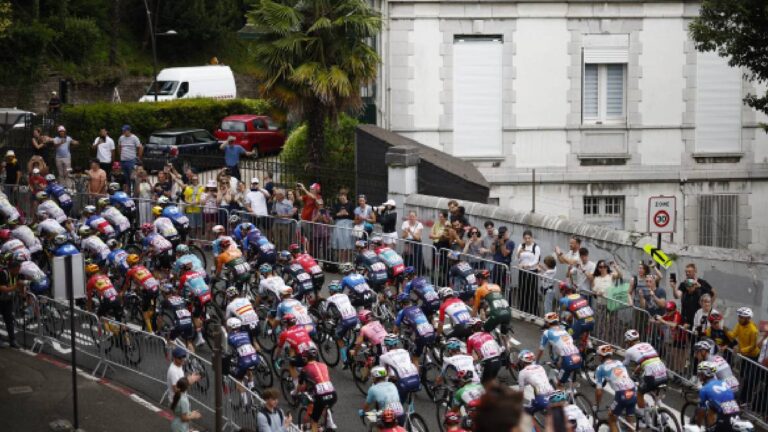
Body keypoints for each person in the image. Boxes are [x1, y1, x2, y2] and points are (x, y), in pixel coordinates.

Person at [622, 329, 668, 424]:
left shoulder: (629, 351)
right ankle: (664, 416)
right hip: (663, 372)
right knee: (655, 394)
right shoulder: (648, 344)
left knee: (640, 393)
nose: (626, 344)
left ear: (630, 341)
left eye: (627, 341)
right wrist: (637, 371)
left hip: (651, 375)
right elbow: (648, 360)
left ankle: (643, 418)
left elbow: (623, 366)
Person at [594, 344, 637, 432]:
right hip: (633, 390)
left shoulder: (600, 368)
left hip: (622, 394)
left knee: (611, 419)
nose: (598, 357)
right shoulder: (619, 362)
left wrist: (597, 406)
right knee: (630, 422)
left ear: (601, 357)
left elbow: (599, 392)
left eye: (598, 356)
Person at [537, 312, 582, 387]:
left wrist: (536, 362)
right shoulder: (564, 330)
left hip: (568, 360)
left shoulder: (547, 332)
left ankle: (563, 395)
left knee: (559, 384)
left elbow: (541, 350)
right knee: (560, 365)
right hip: (578, 356)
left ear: (548, 323)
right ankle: (572, 391)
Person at [297, 348, 338, 432]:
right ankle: (330, 423)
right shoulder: (324, 365)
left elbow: (300, 386)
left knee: (314, 421)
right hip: (333, 394)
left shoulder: (304, 369)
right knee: (325, 407)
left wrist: (295, 392)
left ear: (306, 358)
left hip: (320, 396)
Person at [695, 361, 742, 432]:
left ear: (704, 375)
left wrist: (697, 428)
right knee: (711, 407)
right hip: (736, 413)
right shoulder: (723, 382)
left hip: (725, 420)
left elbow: (701, 413)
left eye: (700, 374)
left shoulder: (704, 389)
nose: (699, 377)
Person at [727, 307, 759, 405]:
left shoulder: (753, 330)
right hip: (744, 356)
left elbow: (753, 346)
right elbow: (733, 335)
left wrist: (741, 350)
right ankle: (741, 398)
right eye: (739, 317)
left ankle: (746, 400)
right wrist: (724, 330)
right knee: (742, 376)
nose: (739, 319)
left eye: (741, 317)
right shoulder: (739, 325)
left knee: (749, 379)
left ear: (747, 318)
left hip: (753, 357)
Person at [675, 263, 716, 330]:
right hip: (687, 320)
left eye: (689, 272)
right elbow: (677, 296)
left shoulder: (702, 283)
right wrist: (674, 287)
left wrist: (708, 306)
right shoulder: (683, 284)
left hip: (699, 318)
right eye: (686, 272)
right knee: (690, 338)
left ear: (695, 272)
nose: (687, 273)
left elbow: (713, 293)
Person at [515, 229, 540, 315]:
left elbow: (536, 260)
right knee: (522, 290)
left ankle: (533, 312)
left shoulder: (536, 247)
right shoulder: (521, 246)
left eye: (529, 238)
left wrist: (528, 265)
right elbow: (517, 258)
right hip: (523, 272)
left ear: (532, 238)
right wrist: (519, 253)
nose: (527, 240)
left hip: (532, 271)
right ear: (523, 238)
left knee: (532, 291)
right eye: (525, 238)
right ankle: (523, 310)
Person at [331, 188, 355, 263]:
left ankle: (347, 263)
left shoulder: (351, 204)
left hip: (348, 226)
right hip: (339, 226)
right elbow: (333, 216)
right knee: (340, 245)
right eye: (340, 196)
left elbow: (354, 216)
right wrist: (339, 214)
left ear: (346, 196)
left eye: (343, 196)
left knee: (348, 245)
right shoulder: (336, 205)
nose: (341, 197)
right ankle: (341, 263)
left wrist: (347, 214)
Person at [118, 125, 142, 194]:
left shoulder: (134, 138)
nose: (123, 132)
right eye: (123, 131)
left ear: (129, 131)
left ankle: (134, 194)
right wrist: (120, 156)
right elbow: (119, 146)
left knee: (133, 178)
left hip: (131, 160)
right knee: (126, 178)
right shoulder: (121, 138)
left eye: (125, 130)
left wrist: (138, 157)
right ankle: (128, 194)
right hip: (123, 161)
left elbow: (140, 147)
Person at [0, 258, 19, 348]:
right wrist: (16, 286)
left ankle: (12, 340)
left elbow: (20, 285)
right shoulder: (3, 274)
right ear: (12, 268)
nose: (18, 271)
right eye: (17, 269)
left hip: (8, 301)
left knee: (9, 321)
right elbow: (3, 288)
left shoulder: (16, 274)